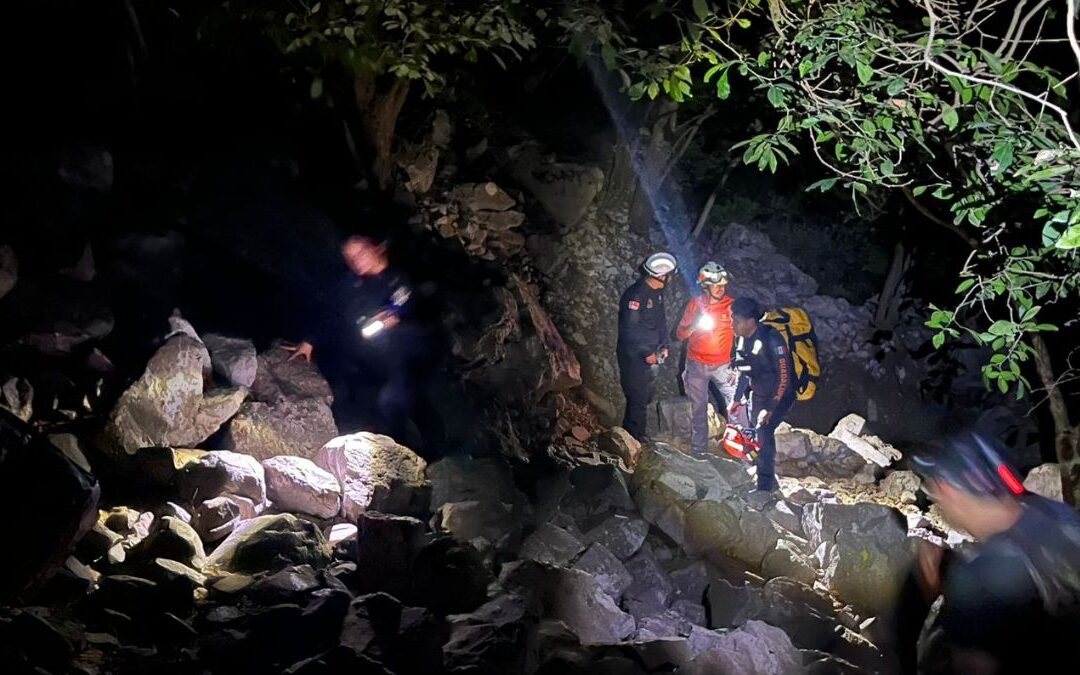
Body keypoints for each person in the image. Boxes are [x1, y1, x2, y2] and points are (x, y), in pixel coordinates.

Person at [901, 433, 1080, 674]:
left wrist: (940, 600)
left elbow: (971, 667)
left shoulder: (977, 580)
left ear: (949, 490)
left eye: (936, 488)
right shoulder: (1060, 515)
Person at [283, 234, 440, 447]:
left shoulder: (400, 276)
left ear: (376, 248)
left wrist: (394, 314)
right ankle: (403, 451)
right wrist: (310, 341)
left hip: (409, 355)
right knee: (379, 402)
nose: (356, 260)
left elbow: (410, 302)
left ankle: (435, 450)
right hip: (372, 357)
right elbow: (331, 314)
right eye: (350, 258)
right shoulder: (351, 285)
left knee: (399, 399)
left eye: (360, 253)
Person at [729, 296, 794, 492]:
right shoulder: (741, 339)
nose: (732, 323)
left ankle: (764, 489)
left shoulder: (772, 339)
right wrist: (737, 398)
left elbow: (784, 377)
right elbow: (744, 370)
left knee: (764, 433)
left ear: (750, 322)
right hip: (757, 394)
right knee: (757, 435)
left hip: (780, 396)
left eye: (736, 320)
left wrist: (771, 408)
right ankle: (767, 477)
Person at [676, 261, 736, 457]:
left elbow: (744, 335)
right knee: (699, 407)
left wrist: (739, 365)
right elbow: (680, 334)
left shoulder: (731, 306)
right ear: (705, 286)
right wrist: (694, 325)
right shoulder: (695, 305)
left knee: (737, 403)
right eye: (716, 286)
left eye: (723, 286)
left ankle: (740, 445)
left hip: (723, 366)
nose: (721, 289)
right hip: (696, 365)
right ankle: (699, 450)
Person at [617, 252, 677, 442]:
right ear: (661, 276)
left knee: (646, 396)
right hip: (635, 357)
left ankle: (636, 436)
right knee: (637, 399)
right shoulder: (636, 295)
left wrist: (664, 345)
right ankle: (634, 439)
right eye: (668, 275)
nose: (670, 278)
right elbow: (630, 329)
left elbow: (661, 321)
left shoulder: (656, 294)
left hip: (653, 355)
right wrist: (646, 353)